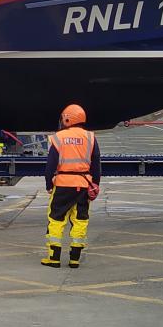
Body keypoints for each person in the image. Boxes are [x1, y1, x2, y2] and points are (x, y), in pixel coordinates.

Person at [42, 103, 101, 269]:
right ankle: (75, 259)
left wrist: (48, 184)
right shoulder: (90, 137)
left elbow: (50, 165)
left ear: (67, 118)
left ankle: (54, 258)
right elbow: (96, 163)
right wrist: (95, 184)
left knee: (56, 219)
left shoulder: (59, 137)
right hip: (83, 184)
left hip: (62, 184)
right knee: (80, 219)